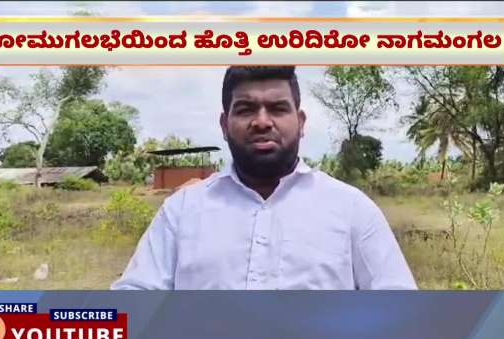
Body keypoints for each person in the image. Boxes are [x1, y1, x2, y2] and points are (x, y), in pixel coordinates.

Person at [111, 66, 417, 290]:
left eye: (277, 108)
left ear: (300, 122)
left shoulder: (351, 209)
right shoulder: (182, 211)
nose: (261, 121)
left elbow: (399, 309)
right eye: (245, 109)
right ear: (224, 124)